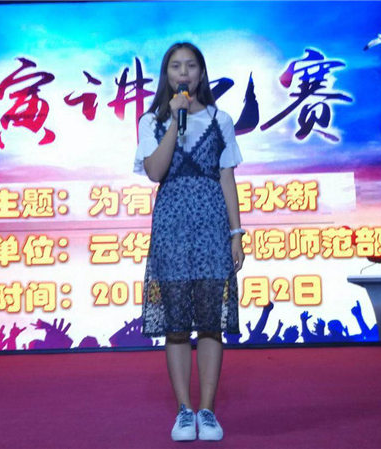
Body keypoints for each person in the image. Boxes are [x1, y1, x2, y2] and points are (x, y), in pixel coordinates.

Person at [134, 42, 244, 442]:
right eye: (176, 66)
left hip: (212, 227)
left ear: (201, 72)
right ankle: (184, 411)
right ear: (166, 75)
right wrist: (173, 122)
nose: (184, 73)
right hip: (171, 228)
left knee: (211, 323)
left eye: (191, 66)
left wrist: (236, 234)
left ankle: (207, 411)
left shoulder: (221, 119)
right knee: (177, 324)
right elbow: (155, 171)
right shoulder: (151, 121)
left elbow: (227, 179)